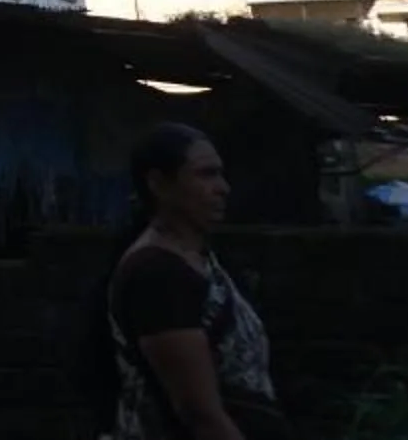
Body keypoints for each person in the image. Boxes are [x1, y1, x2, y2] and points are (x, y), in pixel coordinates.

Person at [93, 123, 288, 440]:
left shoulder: (199, 259)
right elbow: (199, 413)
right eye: (205, 175)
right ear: (158, 183)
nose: (222, 187)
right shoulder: (157, 274)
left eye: (220, 174)